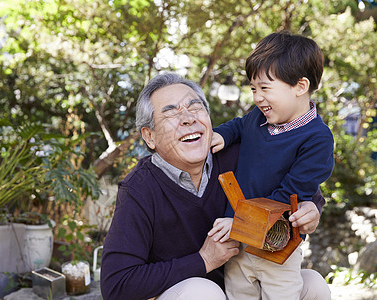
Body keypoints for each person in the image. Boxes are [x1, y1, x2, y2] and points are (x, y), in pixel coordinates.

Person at [100, 72, 330, 300]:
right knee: (202, 293)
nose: (188, 118)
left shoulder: (237, 155)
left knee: (313, 285)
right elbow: (117, 285)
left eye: (195, 107)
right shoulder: (139, 189)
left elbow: (299, 187)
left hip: (243, 283)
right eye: (171, 113)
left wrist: (311, 209)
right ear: (149, 137)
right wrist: (204, 260)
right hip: (189, 294)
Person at [210, 31, 334, 300]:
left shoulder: (317, 139)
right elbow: (239, 125)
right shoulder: (258, 117)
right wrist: (222, 134)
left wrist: (239, 223)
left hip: (277, 243)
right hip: (238, 242)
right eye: (253, 88)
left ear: (300, 86)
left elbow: (288, 194)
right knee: (238, 292)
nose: (257, 97)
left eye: (265, 88)